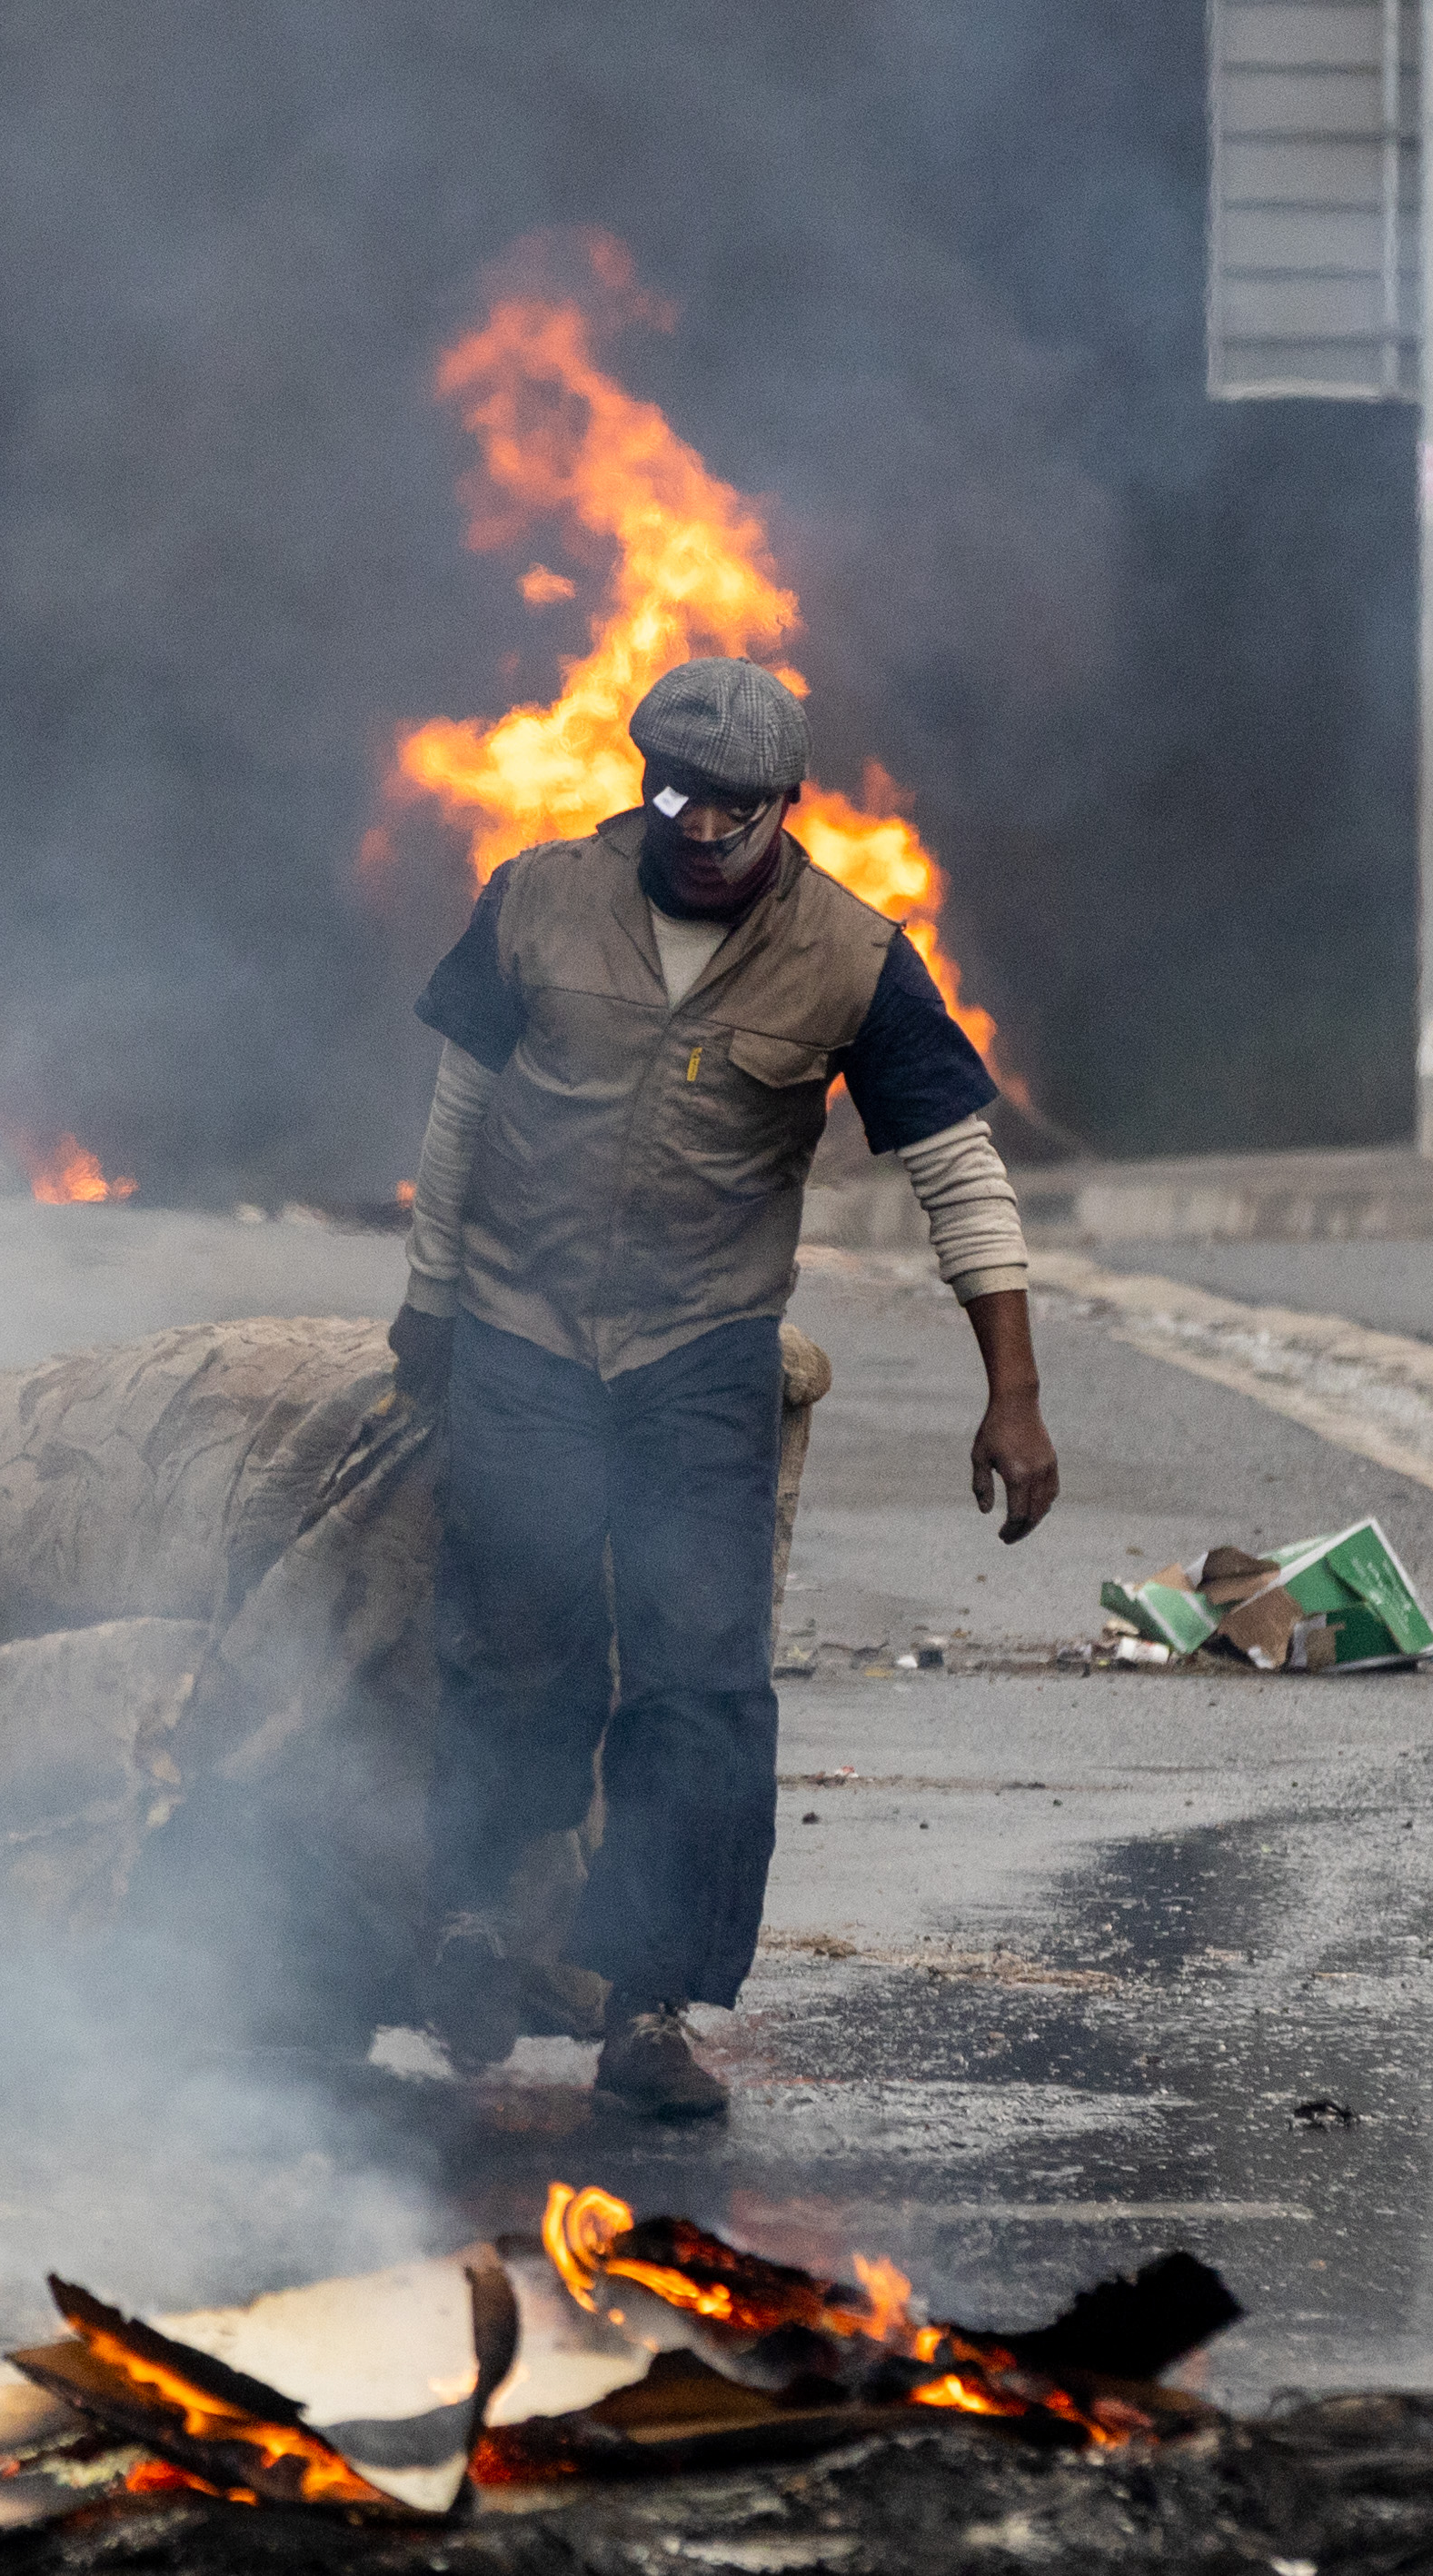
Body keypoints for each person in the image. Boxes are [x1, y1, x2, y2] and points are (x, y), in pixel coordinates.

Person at [389, 656, 1057, 2122]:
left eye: (733, 810)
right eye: (675, 795)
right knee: (517, 1643)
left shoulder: (854, 959)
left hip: (700, 1353)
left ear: (782, 810)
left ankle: (651, 2009)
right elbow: (459, 1116)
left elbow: (960, 1176)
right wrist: (431, 1299)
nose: (698, 831)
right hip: (521, 1329)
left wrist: (1012, 1393)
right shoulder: (538, 899)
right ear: (642, 780)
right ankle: (470, 1929)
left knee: (699, 1687)